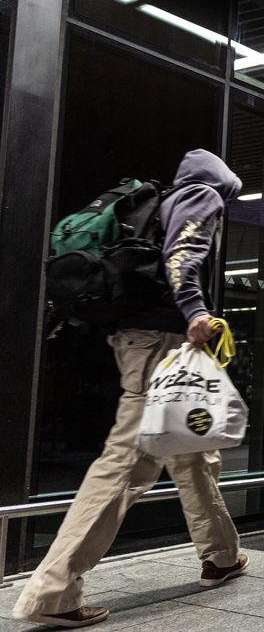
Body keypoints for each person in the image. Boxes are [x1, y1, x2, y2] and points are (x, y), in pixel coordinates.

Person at [14, 150, 248, 628]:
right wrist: (196, 311)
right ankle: (53, 591)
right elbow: (183, 254)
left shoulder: (163, 200)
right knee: (126, 463)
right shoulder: (201, 195)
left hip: (142, 339)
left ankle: (221, 556)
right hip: (164, 342)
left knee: (192, 453)